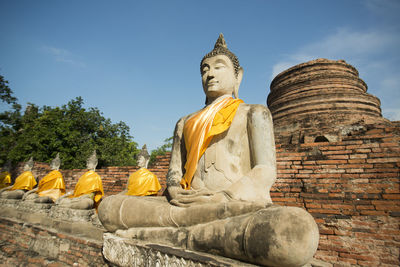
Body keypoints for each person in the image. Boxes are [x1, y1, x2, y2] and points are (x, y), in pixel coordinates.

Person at [98, 34, 319, 266]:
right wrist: (173, 189)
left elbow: (265, 169)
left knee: (293, 230)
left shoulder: (254, 112)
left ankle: (167, 234)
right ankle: (191, 235)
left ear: (238, 76)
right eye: (204, 69)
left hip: (231, 207)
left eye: (218, 67)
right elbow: (175, 171)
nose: (209, 74)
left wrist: (222, 197)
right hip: (181, 206)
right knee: (109, 208)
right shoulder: (185, 122)